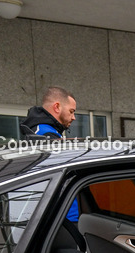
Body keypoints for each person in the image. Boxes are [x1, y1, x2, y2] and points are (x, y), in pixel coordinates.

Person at [21, 87, 80, 224]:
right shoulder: (47, 138)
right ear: (57, 107)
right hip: (61, 218)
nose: (74, 117)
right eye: (71, 111)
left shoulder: (39, 132)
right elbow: (61, 181)